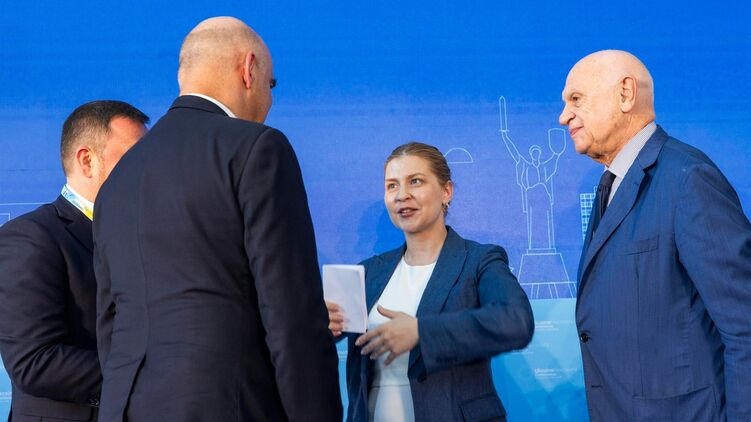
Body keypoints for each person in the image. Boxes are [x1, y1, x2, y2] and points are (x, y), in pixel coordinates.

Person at [92, 16, 341, 422]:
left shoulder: (117, 180)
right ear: (249, 69)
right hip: (228, 406)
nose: (269, 98)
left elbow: (110, 323)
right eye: (272, 84)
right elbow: (290, 316)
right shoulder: (258, 149)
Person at [559, 50, 751, 421]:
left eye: (576, 99)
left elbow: (745, 327)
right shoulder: (610, 185)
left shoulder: (688, 179)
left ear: (625, 94)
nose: (563, 115)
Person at [327, 142, 534, 422]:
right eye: (392, 186)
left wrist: (421, 332)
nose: (402, 195)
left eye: (415, 181)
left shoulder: (479, 260)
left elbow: (515, 322)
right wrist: (323, 325)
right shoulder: (367, 272)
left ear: (446, 191)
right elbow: (323, 340)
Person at [0, 100, 148, 422]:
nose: (148, 171)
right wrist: (145, 376)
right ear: (87, 161)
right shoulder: (31, 237)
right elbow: (35, 362)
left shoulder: (147, 238)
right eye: (135, 158)